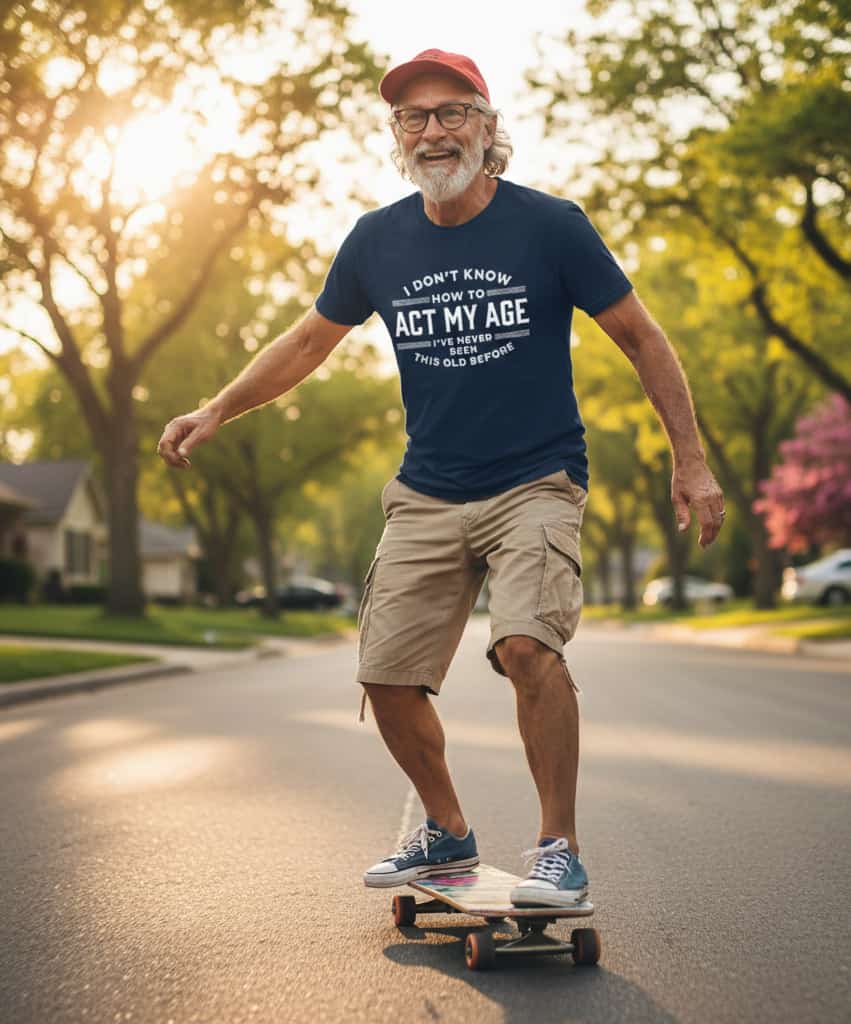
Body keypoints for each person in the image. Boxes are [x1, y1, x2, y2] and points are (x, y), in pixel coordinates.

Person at [157, 49, 725, 908]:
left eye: (452, 112)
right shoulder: (375, 240)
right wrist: (216, 409)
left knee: (526, 646)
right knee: (385, 674)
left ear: (487, 129)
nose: (432, 131)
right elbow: (308, 342)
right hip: (427, 487)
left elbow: (641, 337)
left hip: (535, 480)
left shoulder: (550, 226)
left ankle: (559, 850)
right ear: (396, 136)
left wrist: (690, 459)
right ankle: (446, 831)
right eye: (413, 117)